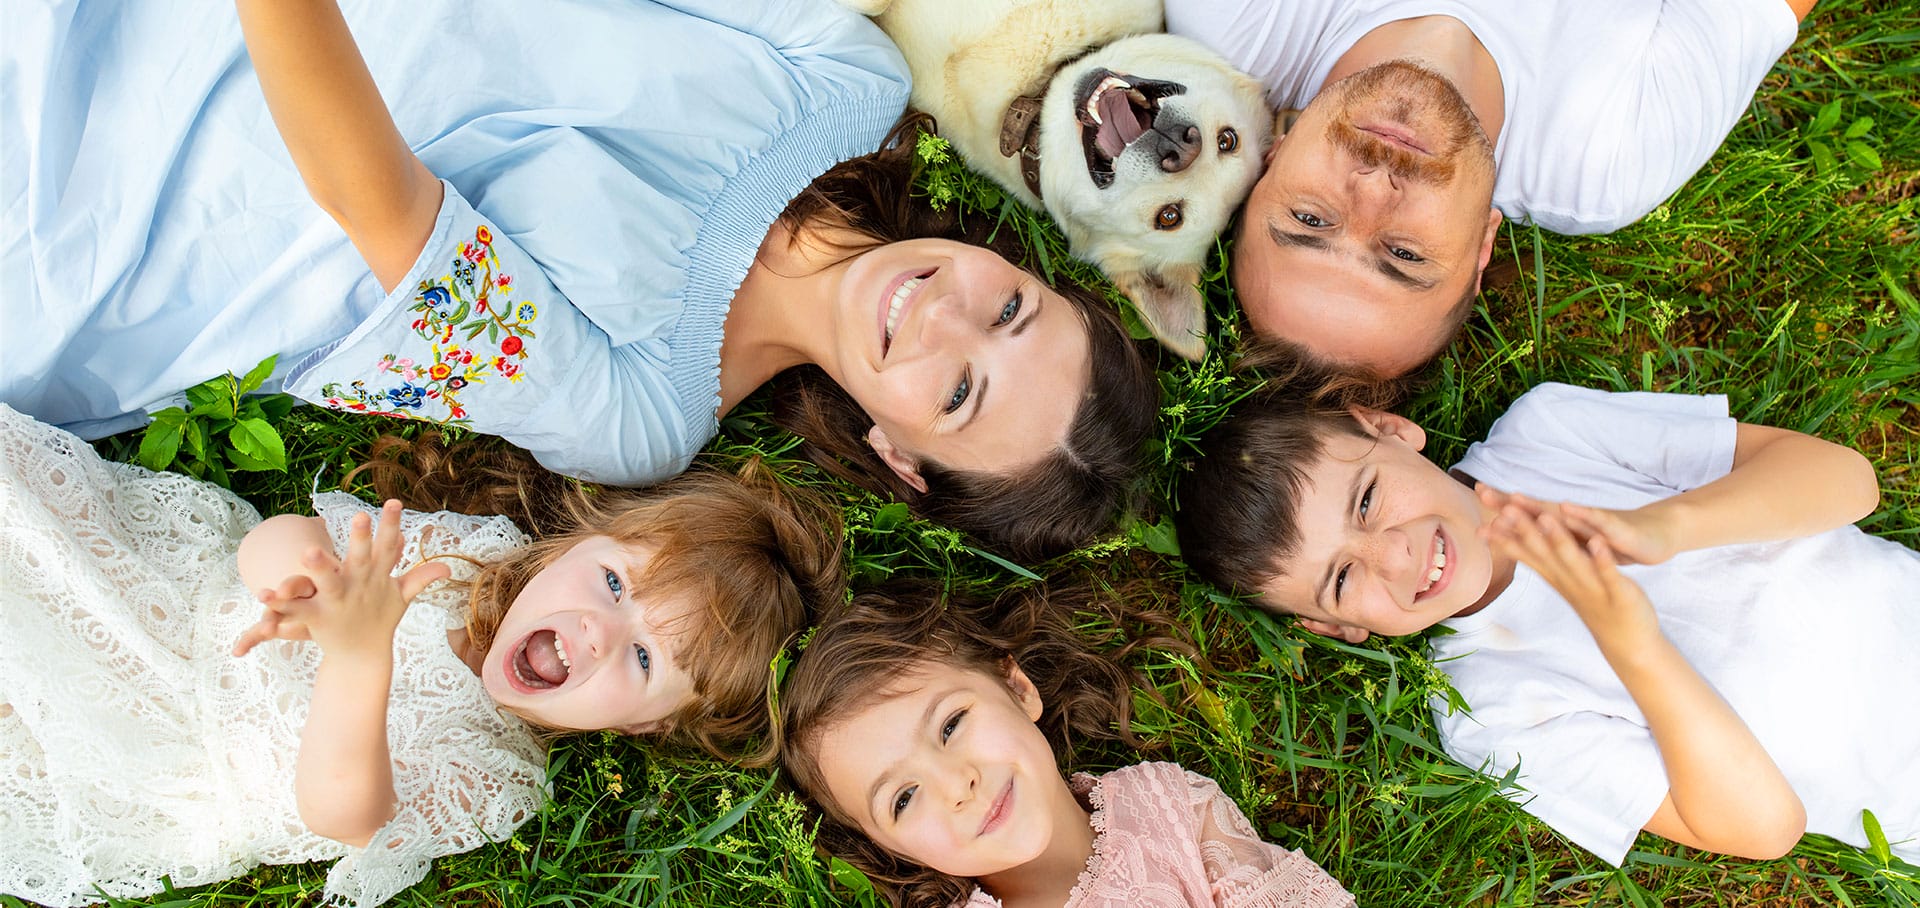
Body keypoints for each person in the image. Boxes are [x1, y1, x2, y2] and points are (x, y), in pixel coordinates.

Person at [1, 0, 1156, 561]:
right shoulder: (847, 81)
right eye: (1010, 308)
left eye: (961, 392)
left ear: (900, 454)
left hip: (124, 211)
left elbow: (375, 206)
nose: (945, 314)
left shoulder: (643, 413)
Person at [0, 404, 843, 907]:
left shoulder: (497, 775)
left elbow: (342, 813)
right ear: (578, 542)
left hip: (165, 753)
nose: (596, 631)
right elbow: (270, 538)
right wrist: (297, 572)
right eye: (615, 585)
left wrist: (359, 658)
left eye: (646, 661)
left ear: (648, 726)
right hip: (165, 595)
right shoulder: (457, 561)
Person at [1175, 381, 1920, 866]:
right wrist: (1635, 648)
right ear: (1337, 629)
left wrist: (1668, 527)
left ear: (1391, 429)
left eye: (1367, 501)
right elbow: (1764, 828)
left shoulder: (1550, 433)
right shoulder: (1489, 717)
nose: (1395, 559)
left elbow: (1850, 482)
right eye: (1342, 579)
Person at [1166, 0, 1817, 379]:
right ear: (1482, 245)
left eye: (1310, 219)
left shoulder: (1242, 21)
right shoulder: (1606, 160)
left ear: (1270, 157)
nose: (1373, 190)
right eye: (1403, 255)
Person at [777, 582, 1356, 908]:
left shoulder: (1170, 808)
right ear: (890, 848)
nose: (958, 786)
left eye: (951, 726)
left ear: (1017, 687)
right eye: (902, 799)